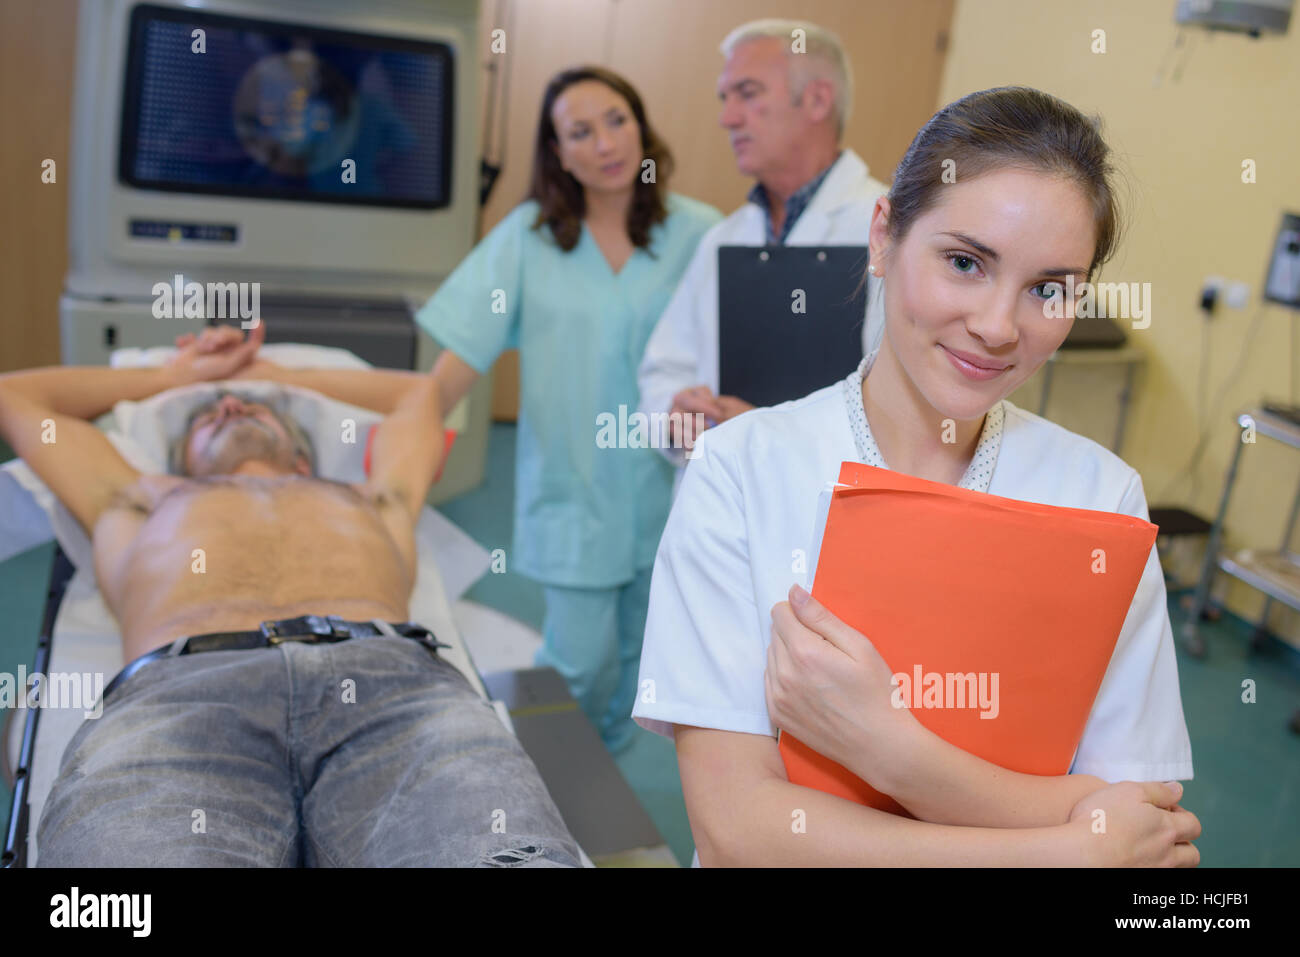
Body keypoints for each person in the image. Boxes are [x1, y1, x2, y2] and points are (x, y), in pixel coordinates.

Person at [632, 86, 1201, 866]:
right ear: (883, 236)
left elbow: (1141, 818)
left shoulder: (1100, 497)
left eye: (1049, 289)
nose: (1000, 326)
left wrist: (888, 747)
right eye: (965, 262)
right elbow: (740, 828)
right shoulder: (743, 470)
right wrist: (1059, 848)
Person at [0, 324, 582, 867]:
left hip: (396, 689)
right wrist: (173, 379)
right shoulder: (140, 498)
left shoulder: (372, 497)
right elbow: (16, 397)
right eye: (208, 416)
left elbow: (419, 397)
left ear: (303, 454)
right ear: (182, 460)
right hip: (183, 699)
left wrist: (272, 374)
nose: (230, 404)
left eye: (253, 407)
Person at [416, 66, 722, 754]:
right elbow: (457, 361)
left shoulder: (701, 232)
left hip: (673, 492)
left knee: (645, 675)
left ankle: (594, 798)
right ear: (556, 152)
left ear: (641, 125)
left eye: (617, 120)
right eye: (579, 132)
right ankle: (536, 795)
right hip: (574, 493)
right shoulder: (529, 238)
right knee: (577, 668)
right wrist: (400, 451)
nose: (605, 143)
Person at [638, 18, 890, 458]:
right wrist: (675, 416)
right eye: (725, 98)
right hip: (718, 500)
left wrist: (770, 435)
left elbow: (905, 404)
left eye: (748, 94)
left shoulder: (894, 232)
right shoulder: (724, 237)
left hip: (830, 504)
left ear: (816, 100)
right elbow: (665, 370)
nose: (727, 117)